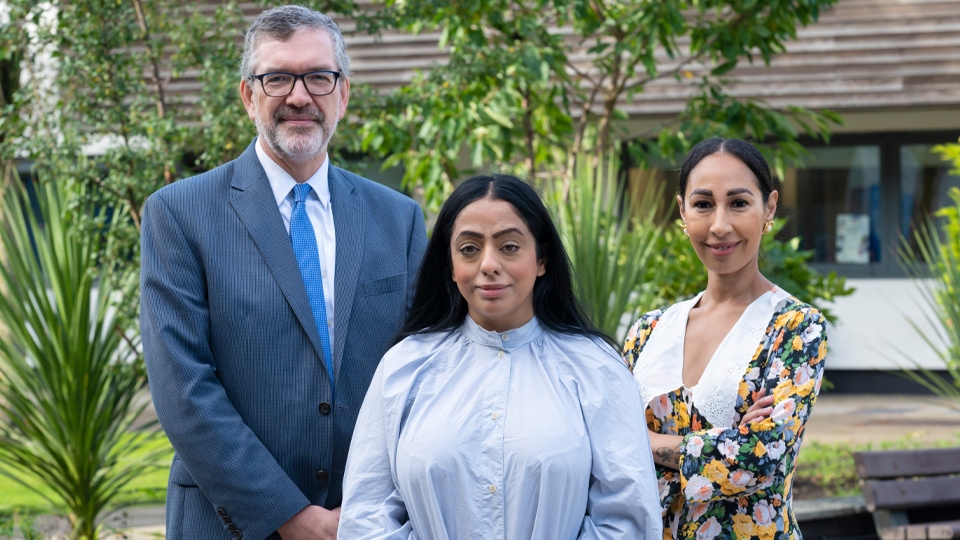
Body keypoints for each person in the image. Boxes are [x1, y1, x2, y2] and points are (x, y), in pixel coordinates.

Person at [139, 6, 427, 540]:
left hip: (368, 523)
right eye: (277, 77)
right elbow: (183, 387)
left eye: (319, 76)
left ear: (342, 94)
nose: (300, 96)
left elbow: (424, 372)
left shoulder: (399, 219)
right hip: (227, 524)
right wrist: (288, 515)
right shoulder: (179, 213)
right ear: (249, 95)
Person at [337, 174, 663, 540]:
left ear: (542, 259)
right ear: (450, 266)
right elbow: (365, 516)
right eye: (469, 249)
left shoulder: (597, 368)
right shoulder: (403, 368)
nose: (488, 264)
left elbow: (628, 519)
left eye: (509, 246)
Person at [622, 138, 828, 539]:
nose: (719, 225)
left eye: (738, 203)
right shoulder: (647, 331)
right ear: (682, 210)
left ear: (769, 208)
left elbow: (759, 458)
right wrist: (726, 440)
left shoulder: (795, 328)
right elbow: (603, 444)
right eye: (703, 204)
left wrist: (645, 442)